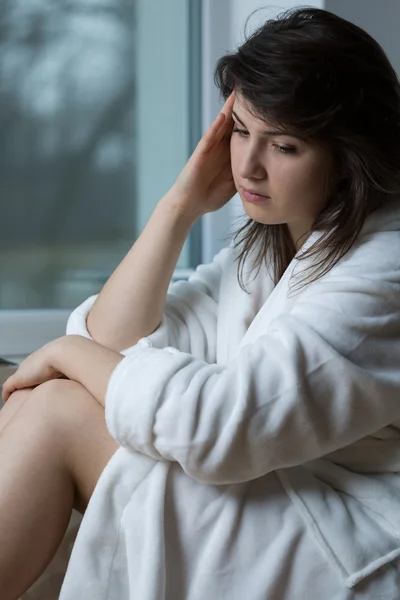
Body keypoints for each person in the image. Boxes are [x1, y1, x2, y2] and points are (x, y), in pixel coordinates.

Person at [2, 6, 400, 599]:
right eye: (240, 130)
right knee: (49, 399)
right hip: (277, 493)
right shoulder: (269, 249)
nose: (248, 165)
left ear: (349, 156)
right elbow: (112, 345)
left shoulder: (384, 270)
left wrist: (64, 351)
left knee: (58, 411)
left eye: (284, 146)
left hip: (347, 540)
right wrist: (178, 208)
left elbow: (220, 426)